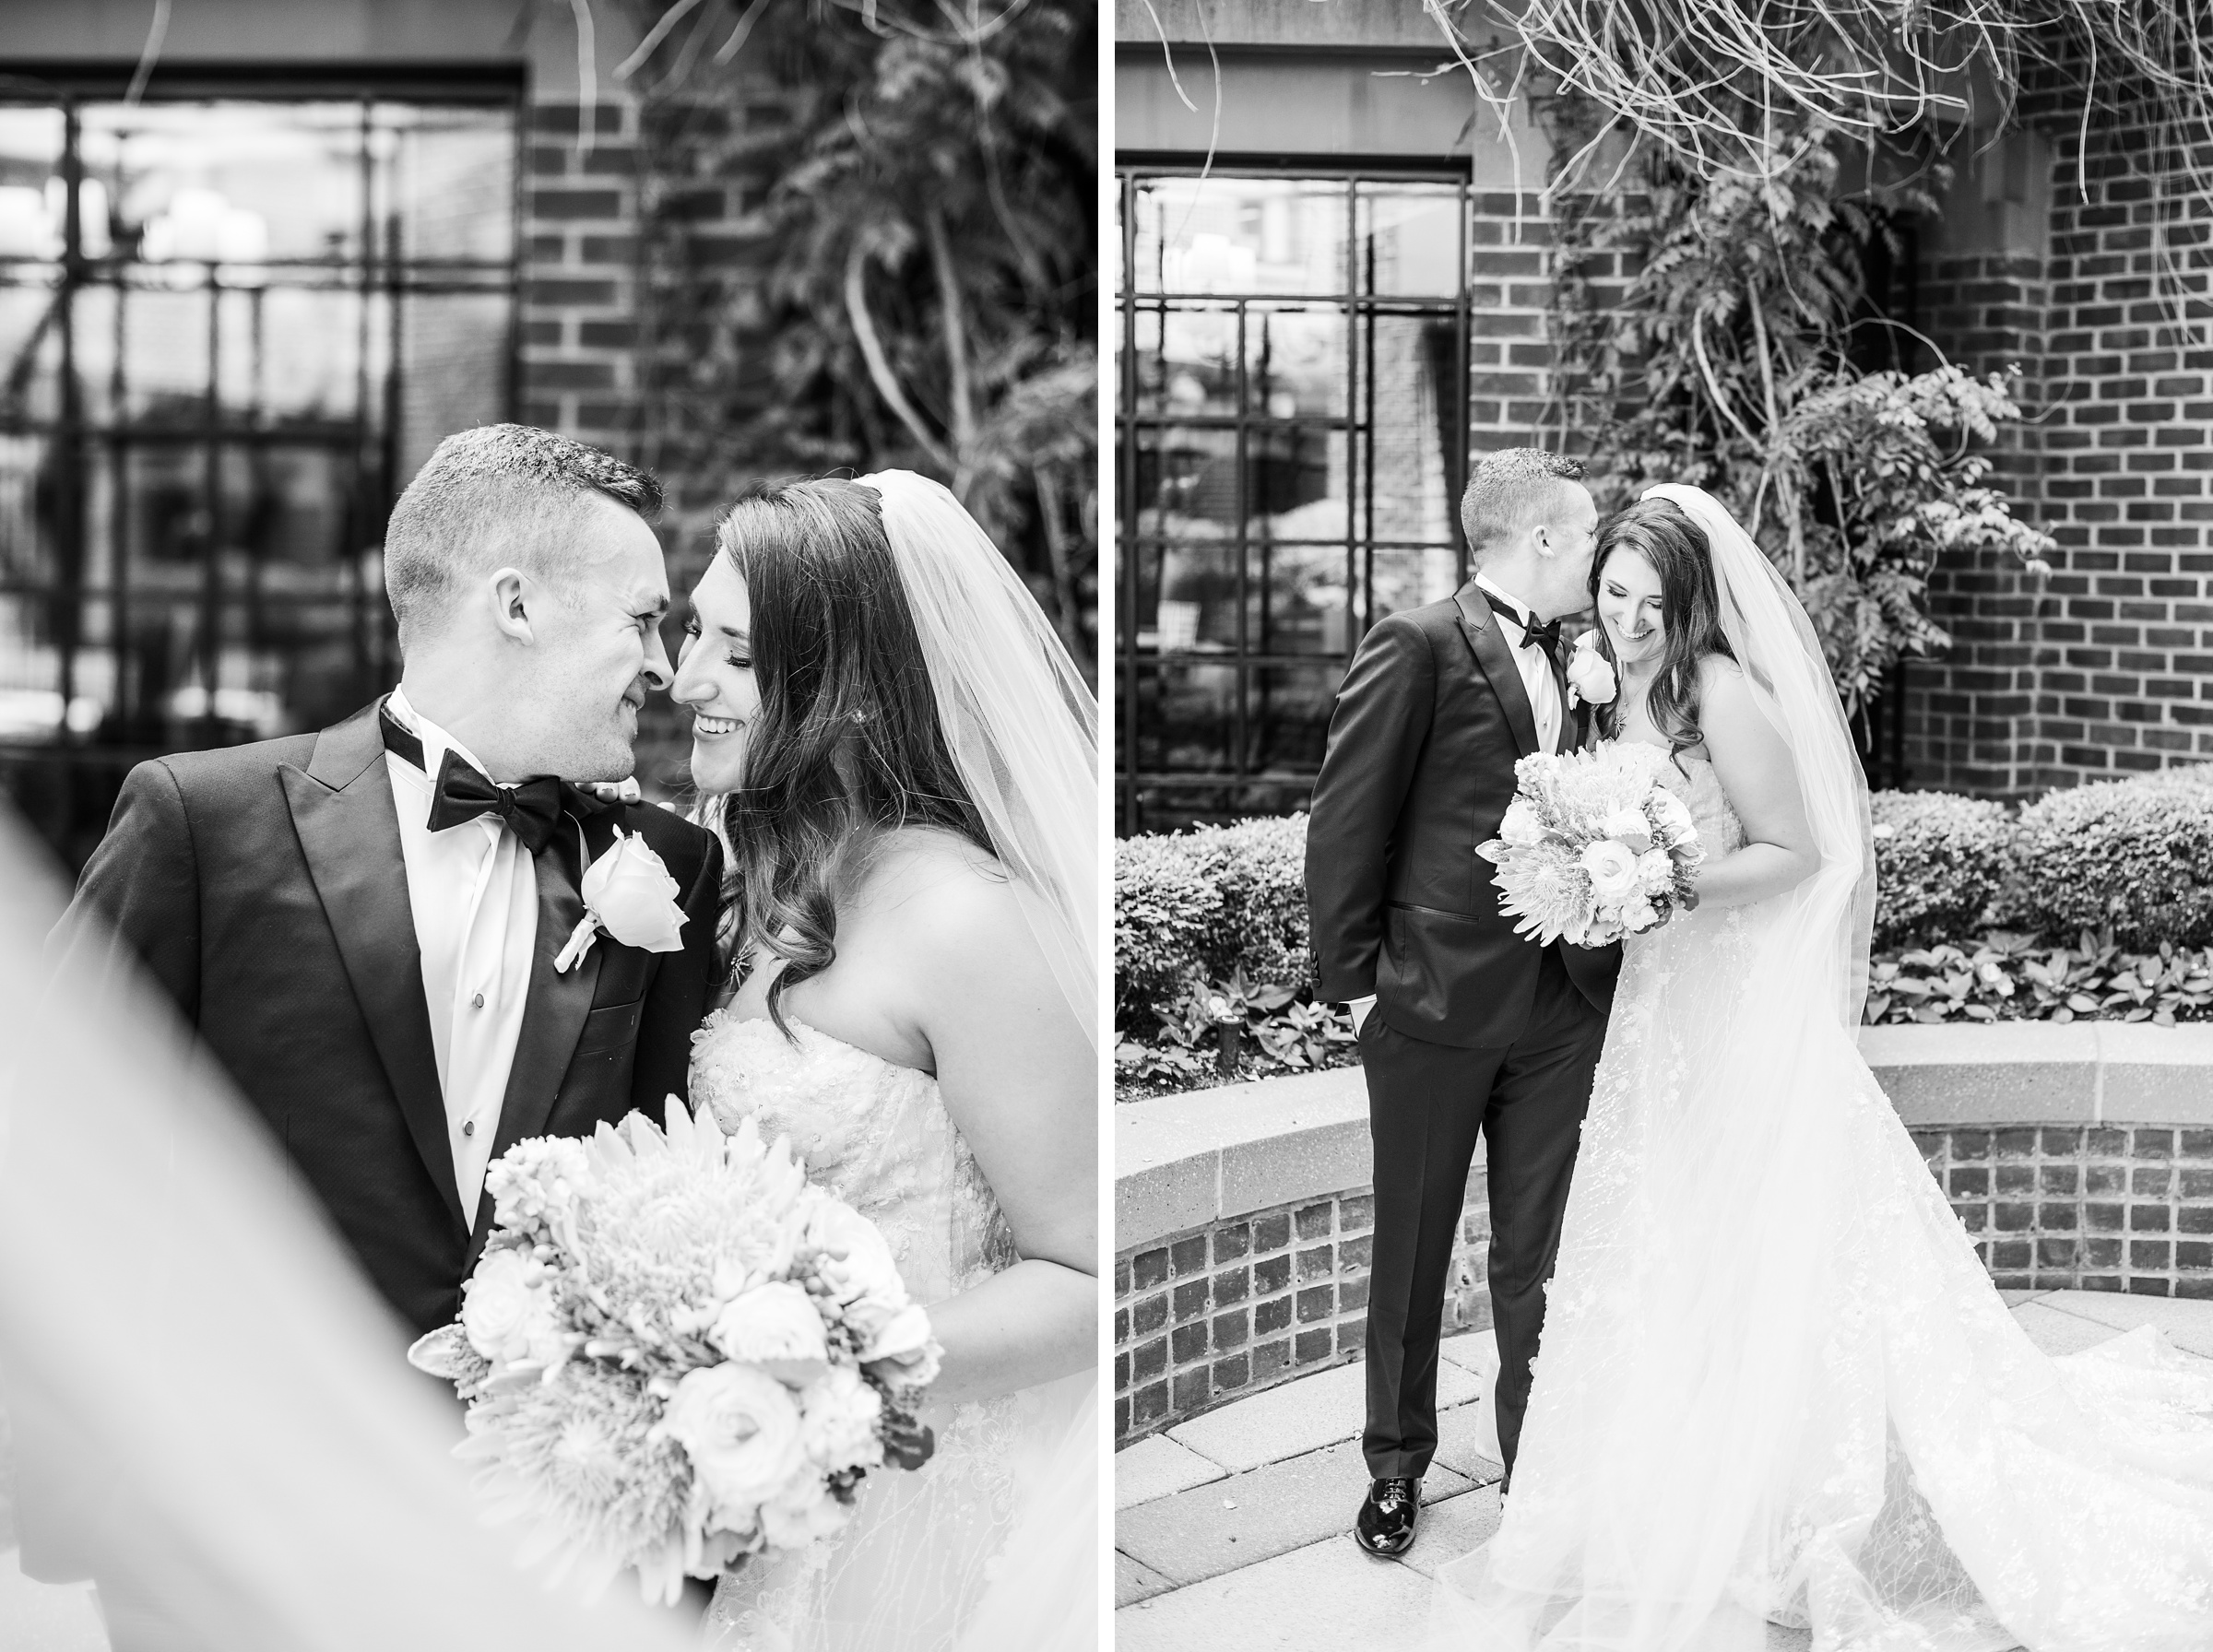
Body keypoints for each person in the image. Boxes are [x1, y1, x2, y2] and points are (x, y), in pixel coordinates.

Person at [1434, 486, 2213, 1650]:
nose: (1632, 620)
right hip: (1658, 1010)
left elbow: (1803, 852)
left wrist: (1669, 886)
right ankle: (1679, 1485)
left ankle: (1798, 1497)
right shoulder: (1601, 682)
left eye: (1653, 600)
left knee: (1777, 1235)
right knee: (1669, 1236)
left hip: (1734, 997)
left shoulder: (1723, 691)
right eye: (1615, 593)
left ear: (1691, 601)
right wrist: (1593, 887)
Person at [27, 424, 724, 1641]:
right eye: (643, 620)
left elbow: (676, 1191)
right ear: (515, 604)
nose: (663, 665)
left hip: (533, 1558)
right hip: (230, 1544)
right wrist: (96, 1512)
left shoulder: (666, 869)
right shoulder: (207, 823)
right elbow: (41, 1161)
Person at [670, 472, 1097, 1650]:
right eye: (690, 633)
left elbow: (1084, 1274)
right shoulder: (747, 865)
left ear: (848, 692)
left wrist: (820, 1368)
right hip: (755, 1489)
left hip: (916, 1502)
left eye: (733, 652)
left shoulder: (968, 920)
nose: (683, 678)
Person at [1305, 448, 1623, 1558]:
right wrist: (1356, 992)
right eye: (1586, 535)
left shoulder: (1596, 661)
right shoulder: (1419, 644)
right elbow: (1348, 823)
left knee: (1538, 1257)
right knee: (1415, 1246)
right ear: (1540, 539)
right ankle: (1396, 1469)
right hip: (1430, 1005)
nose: (1598, 552)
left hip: (1563, 1003)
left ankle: (1534, 1467)